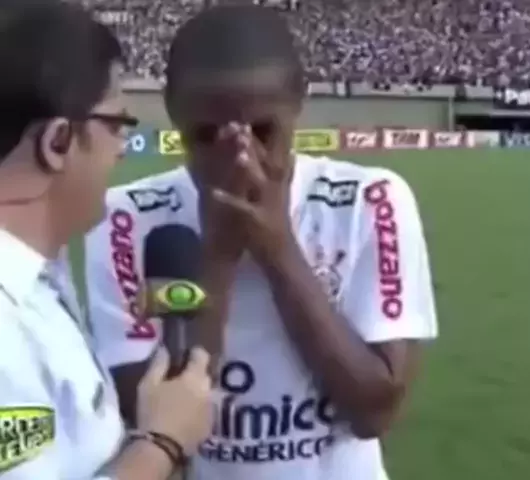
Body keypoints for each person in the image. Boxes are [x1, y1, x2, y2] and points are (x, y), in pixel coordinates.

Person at [82, 4, 438, 480]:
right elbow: (146, 417)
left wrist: (278, 247)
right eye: (207, 135)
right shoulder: (129, 218)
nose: (241, 157)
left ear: (299, 99)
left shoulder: (369, 201)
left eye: (264, 132)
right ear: (173, 111)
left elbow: (374, 412)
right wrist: (218, 257)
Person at [0, 2, 214, 478]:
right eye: (116, 125)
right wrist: (162, 441)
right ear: (57, 142)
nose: (121, 149)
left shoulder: (40, 274)